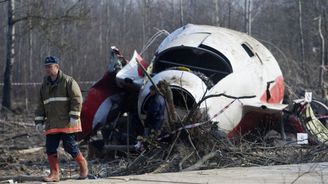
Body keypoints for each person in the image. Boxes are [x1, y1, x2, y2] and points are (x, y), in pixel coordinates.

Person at [34, 56, 88, 182]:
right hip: (52, 124)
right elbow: (41, 105)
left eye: (50, 66)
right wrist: (39, 121)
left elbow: (77, 99)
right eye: (46, 67)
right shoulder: (44, 86)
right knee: (50, 148)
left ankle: (84, 167)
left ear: (57, 67)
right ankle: (54, 174)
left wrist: (75, 115)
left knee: (70, 147)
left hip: (67, 122)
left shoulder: (68, 81)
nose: (47, 69)